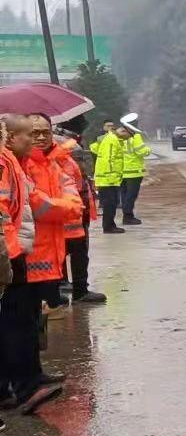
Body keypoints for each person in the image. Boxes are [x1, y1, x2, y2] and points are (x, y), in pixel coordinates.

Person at [3, 113, 76, 412]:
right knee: (15, 325)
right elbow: (21, 210)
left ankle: (20, 386)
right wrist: (9, 252)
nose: (35, 139)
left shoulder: (20, 165)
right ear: (11, 137)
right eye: (28, 134)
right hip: (14, 254)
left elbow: (69, 197)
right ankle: (24, 389)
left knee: (23, 322)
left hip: (21, 252)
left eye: (43, 133)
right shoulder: (9, 165)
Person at [50, 119, 103, 305]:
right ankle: (63, 291)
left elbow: (79, 185)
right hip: (63, 217)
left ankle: (72, 289)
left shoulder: (66, 159)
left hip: (75, 215)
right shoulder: (52, 160)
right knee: (61, 255)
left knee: (73, 254)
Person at [89, 120, 127, 234]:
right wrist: (111, 177)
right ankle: (108, 227)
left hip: (108, 178)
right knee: (109, 204)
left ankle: (110, 224)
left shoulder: (109, 139)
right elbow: (108, 159)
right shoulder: (110, 140)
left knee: (112, 203)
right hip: (107, 179)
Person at [116, 112, 151, 225]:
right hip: (134, 172)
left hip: (122, 171)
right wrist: (148, 150)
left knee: (124, 195)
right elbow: (142, 151)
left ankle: (126, 215)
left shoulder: (119, 136)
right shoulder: (135, 136)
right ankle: (128, 217)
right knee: (131, 196)